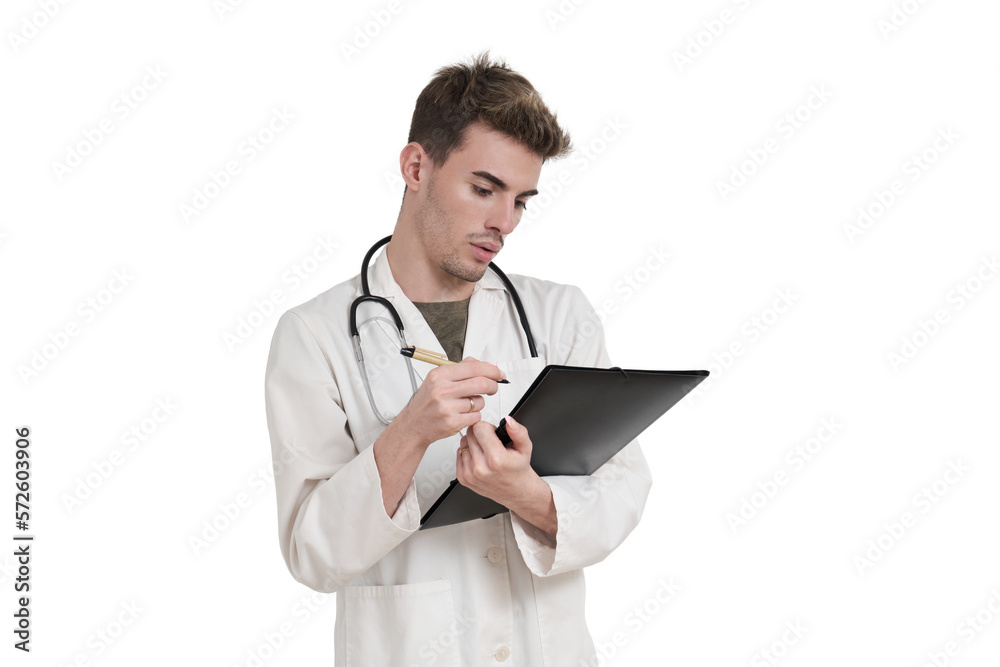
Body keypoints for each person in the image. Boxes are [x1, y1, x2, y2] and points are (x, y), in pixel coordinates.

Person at [264, 52, 652, 666]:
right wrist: (410, 433)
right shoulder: (315, 335)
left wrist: (526, 494)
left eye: (521, 201)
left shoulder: (560, 315)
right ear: (416, 166)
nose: (504, 222)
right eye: (484, 189)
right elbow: (313, 553)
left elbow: (623, 490)